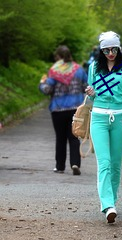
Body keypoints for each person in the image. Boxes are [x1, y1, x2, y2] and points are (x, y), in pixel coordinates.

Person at [85, 31, 122, 223]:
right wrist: (90, 92)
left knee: (116, 164)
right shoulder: (94, 68)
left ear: (118, 48)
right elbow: (91, 96)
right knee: (105, 163)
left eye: (113, 49)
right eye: (106, 50)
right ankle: (107, 205)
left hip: (120, 118)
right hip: (98, 117)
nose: (110, 53)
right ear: (101, 50)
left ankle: (112, 201)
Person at [39, 45, 88, 175]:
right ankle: (75, 163)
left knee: (60, 138)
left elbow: (47, 90)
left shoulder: (54, 71)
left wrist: (42, 83)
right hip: (75, 109)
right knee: (74, 137)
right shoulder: (79, 70)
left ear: (58, 57)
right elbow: (86, 87)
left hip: (58, 109)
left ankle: (60, 166)